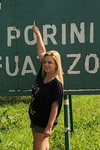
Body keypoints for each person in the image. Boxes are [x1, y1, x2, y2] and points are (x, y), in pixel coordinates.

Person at [29, 21, 64, 150]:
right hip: (35, 119)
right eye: (45, 62)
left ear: (56, 65)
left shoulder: (56, 84)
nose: (46, 64)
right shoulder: (42, 75)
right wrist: (38, 34)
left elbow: (55, 107)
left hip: (44, 123)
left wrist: (49, 127)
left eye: (50, 63)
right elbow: (42, 52)